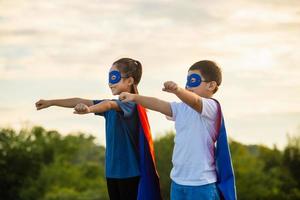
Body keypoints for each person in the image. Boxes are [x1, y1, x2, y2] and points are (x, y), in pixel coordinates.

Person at [35, 58, 162, 200]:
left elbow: (108, 104)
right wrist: (51, 102)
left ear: (130, 81)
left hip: (129, 173)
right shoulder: (112, 106)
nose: (110, 83)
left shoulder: (131, 104)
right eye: (109, 78)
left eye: (114, 77)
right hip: (112, 173)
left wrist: (88, 109)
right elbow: (80, 100)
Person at [119, 60, 236, 200]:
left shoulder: (212, 107)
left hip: (201, 185)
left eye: (194, 81)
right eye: (187, 81)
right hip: (178, 182)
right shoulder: (181, 109)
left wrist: (177, 90)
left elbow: (196, 102)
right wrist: (134, 97)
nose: (188, 86)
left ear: (211, 85)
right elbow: (158, 104)